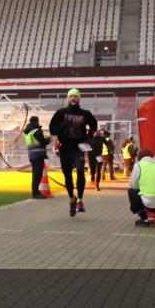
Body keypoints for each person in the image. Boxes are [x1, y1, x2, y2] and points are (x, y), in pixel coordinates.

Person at [49, 88, 98, 217]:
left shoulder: (85, 113)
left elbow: (94, 125)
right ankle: (72, 198)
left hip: (78, 148)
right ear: (68, 98)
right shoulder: (61, 112)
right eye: (71, 96)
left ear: (79, 98)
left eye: (75, 96)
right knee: (67, 176)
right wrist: (62, 125)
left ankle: (80, 200)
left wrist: (88, 137)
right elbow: (52, 129)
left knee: (81, 171)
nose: (73, 98)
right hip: (65, 148)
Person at [24, 115, 50, 199]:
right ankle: (36, 193)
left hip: (32, 155)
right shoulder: (36, 131)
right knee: (37, 175)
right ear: (37, 121)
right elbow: (43, 142)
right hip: (38, 155)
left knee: (35, 175)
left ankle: (36, 192)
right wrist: (49, 139)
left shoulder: (28, 132)